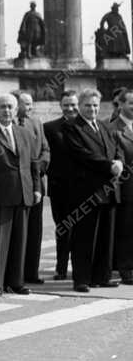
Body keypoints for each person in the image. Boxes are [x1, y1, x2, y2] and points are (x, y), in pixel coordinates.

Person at [0, 94, 41, 297]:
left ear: (16, 109)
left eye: (11, 107)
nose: (7, 111)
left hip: (23, 193)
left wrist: (36, 188)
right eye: (2, 107)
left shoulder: (24, 133)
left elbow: (33, 163)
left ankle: (16, 282)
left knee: (20, 242)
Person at [61, 89, 121, 293]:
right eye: (88, 105)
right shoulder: (71, 127)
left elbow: (114, 147)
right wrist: (109, 166)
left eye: (95, 105)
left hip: (109, 189)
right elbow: (82, 155)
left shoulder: (103, 126)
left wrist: (119, 162)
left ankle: (102, 276)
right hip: (86, 191)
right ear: (80, 106)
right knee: (85, 237)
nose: (92, 109)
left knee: (106, 236)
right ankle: (82, 279)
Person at [15, 92, 50, 285]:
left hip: (36, 181)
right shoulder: (10, 122)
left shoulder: (36, 123)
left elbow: (45, 149)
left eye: (31, 104)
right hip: (16, 184)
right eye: (26, 104)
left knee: (35, 231)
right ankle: (16, 272)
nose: (29, 107)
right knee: (20, 231)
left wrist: (40, 168)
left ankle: (32, 272)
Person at [44, 90, 79, 280]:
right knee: (63, 228)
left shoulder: (86, 125)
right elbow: (45, 155)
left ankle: (81, 269)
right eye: (66, 104)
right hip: (59, 188)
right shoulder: (49, 128)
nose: (70, 108)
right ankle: (61, 268)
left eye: (73, 104)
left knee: (82, 230)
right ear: (61, 105)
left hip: (83, 188)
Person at [110, 89, 133, 284]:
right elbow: (118, 160)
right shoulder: (113, 129)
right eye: (131, 103)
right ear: (122, 105)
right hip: (126, 189)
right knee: (126, 230)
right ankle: (126, 269)